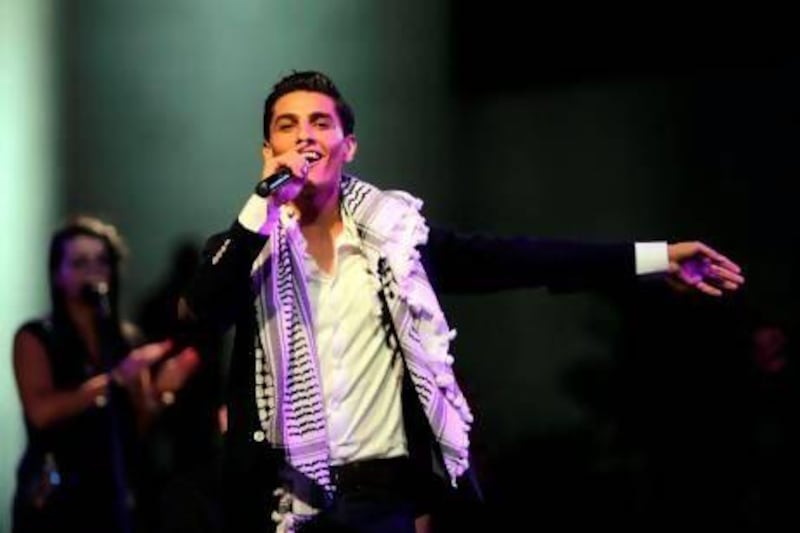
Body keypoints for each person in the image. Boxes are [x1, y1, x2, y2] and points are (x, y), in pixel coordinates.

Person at [178, 70, 744, 533]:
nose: (304, 136)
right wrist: (261, 206)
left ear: (347, 146)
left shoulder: (400, 241)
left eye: (320, 123)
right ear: (268, 149)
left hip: (383, 500)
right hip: (286, 506)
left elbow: (520, 258)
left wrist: (655, 258)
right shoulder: (245, 249)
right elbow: (202, 308)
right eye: (288, 125)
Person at [11, 215, 196, 533]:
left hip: (114, 493)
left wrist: (161, 392)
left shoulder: (125, 340)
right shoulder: (35, 336)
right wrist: (114, 380)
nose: (93, 270)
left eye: (101, 260)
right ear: (58, 273)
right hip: (57, 496)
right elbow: (41, 412)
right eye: (80, 262)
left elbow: (137, 425)